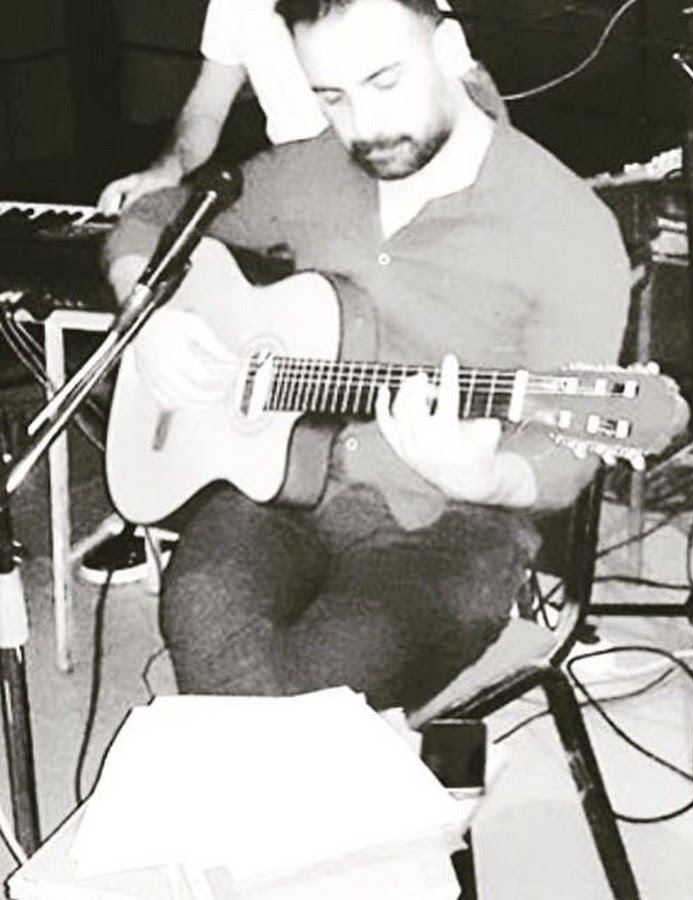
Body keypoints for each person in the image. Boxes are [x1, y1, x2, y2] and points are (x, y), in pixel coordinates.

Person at [102, 0, 631, 711]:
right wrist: (149, 313)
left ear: (449, 49)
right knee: (199, 603)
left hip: (450, 525)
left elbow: (567, 451)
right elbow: (153, 217)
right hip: (284, 482)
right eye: (331, 96)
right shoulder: (310, 172)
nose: (362, 125)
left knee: (299, 688)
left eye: (384, 81)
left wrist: (488, 475)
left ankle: (366, 765)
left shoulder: (567, 225)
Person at [96, 0, 490, 214]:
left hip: (404, 190)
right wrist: (167, 170)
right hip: (301, 198)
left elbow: (472, 93)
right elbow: (206, 110)